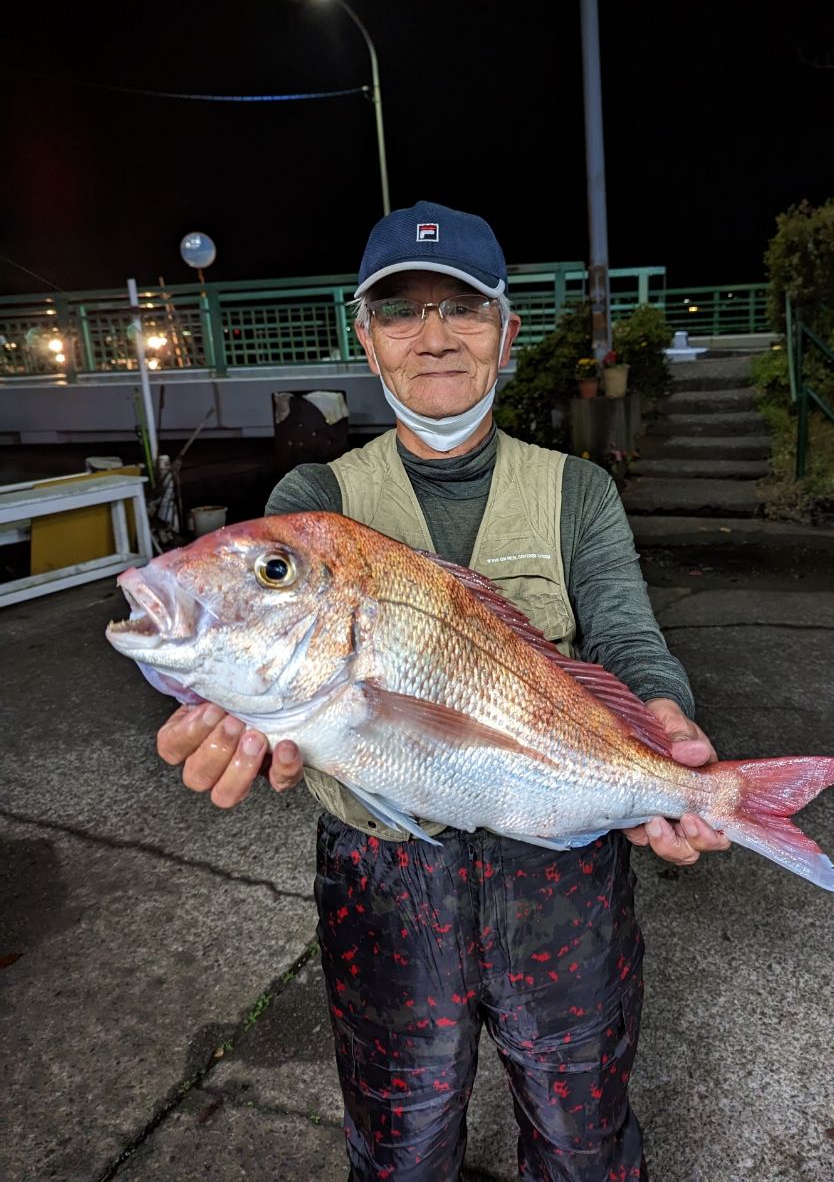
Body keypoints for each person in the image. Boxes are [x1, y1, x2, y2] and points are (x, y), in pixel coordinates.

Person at [156, 201, 730, 1181]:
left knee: (583, 1136)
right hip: (380, 881)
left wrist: (660, 721)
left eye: (462, 309)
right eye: (401, 311)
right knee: (401, 1144)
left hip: (563, 873)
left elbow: (628, 637)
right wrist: (235, 713)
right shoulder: (313, 506)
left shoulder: (576, 488)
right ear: (365, 338)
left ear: (506, 335)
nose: (433, 337)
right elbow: (269, 655)